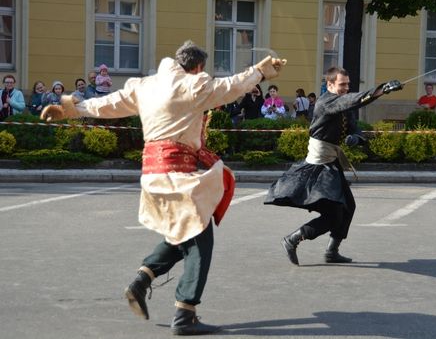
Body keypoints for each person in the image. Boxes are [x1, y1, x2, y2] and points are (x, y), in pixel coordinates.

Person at [41, 40, 285, 336]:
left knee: (183, 230)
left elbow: (109, 103)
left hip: (152, 175)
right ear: (197, 67)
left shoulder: (144, 85)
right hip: (177, 174)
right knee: (199, 239)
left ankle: (141, 280)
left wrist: (72, 110)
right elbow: (232, 86)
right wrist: (260, 71)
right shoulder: (193, 85)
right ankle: (185, 314)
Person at [264, 67, 402, 266]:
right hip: (318, 167)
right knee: (334, 215)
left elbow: (354, 125)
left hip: (331, 163)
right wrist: (382, 89)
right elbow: (351, 100)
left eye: (348, 84)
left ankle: (332, 251)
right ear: (329, 85)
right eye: (342, 84)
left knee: (348, 207)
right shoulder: (325, 102)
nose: (346, 88)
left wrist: (357, 137)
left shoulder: (343, 103)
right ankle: (292, 239)